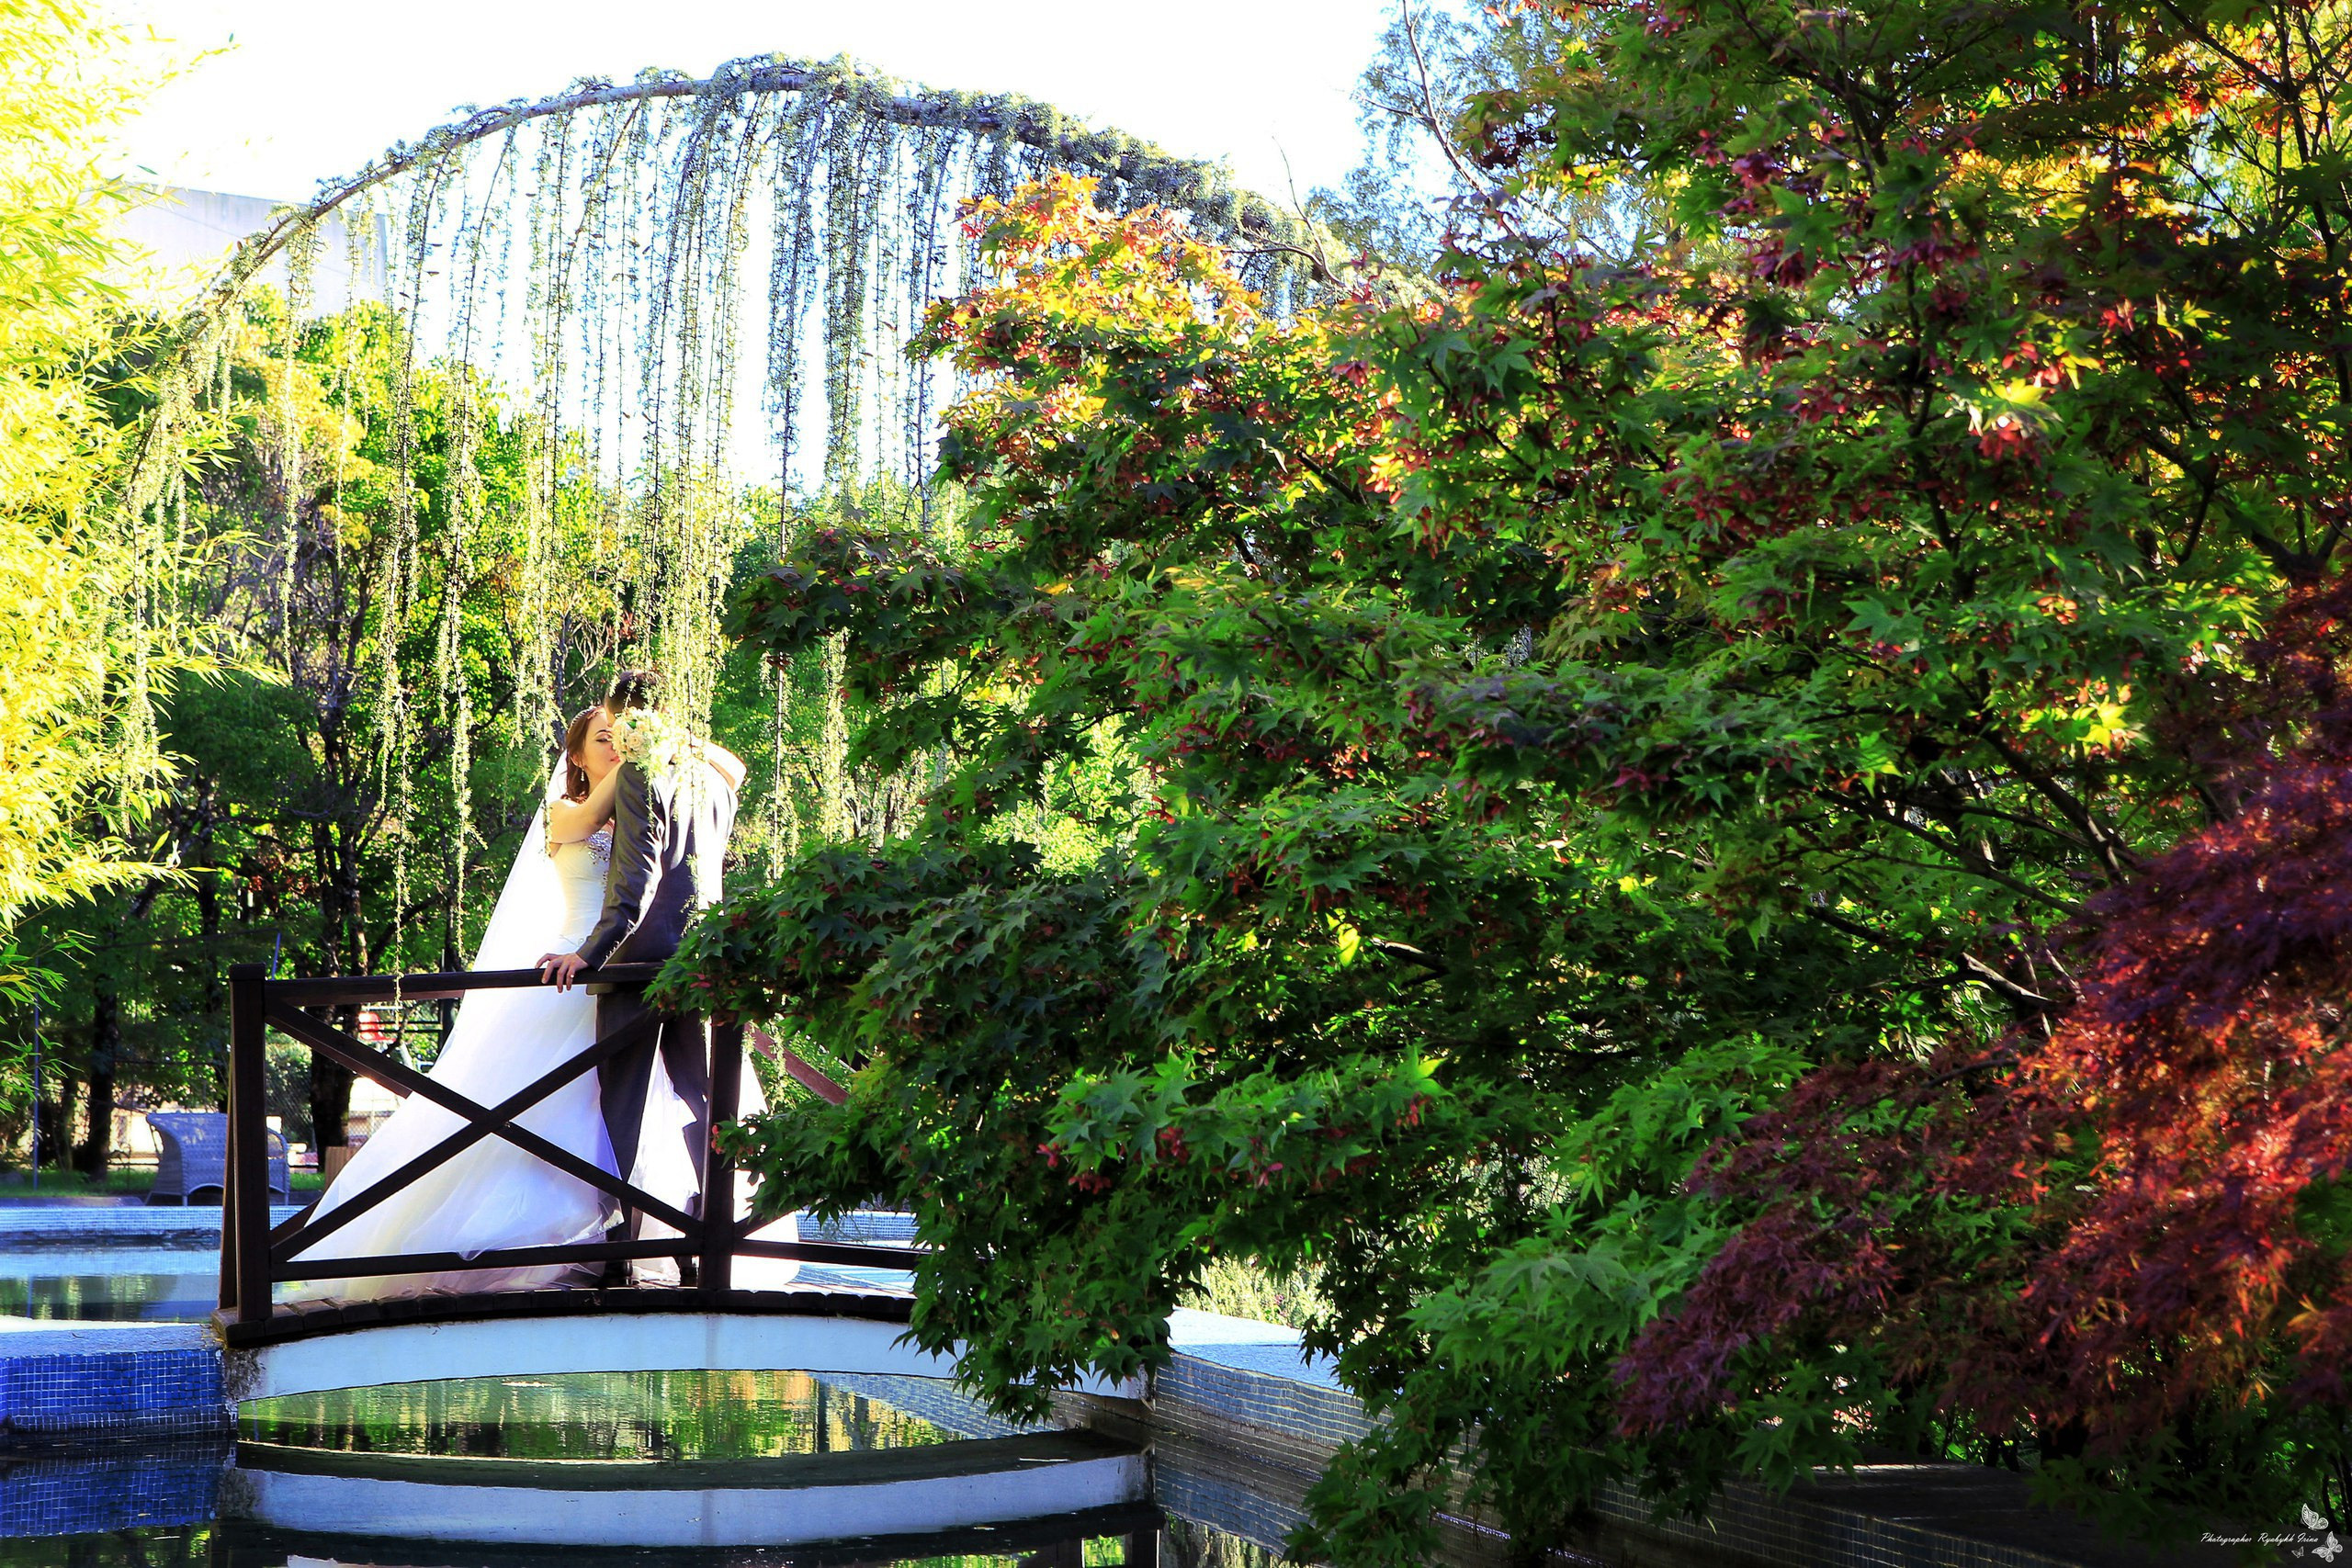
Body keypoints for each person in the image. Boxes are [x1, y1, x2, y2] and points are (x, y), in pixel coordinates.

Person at [286, 704, 636, 1299]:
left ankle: (612, 1237)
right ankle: (512, 1242)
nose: (617, 749)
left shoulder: (630, 817)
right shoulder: (565, 813)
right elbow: (596, 820)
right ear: (576, 755)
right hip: (564, 975)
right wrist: (649, 767)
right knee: (530, 1112)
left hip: (612, 977)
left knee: (599, 1110)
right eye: (604, 739)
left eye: (623, 739)